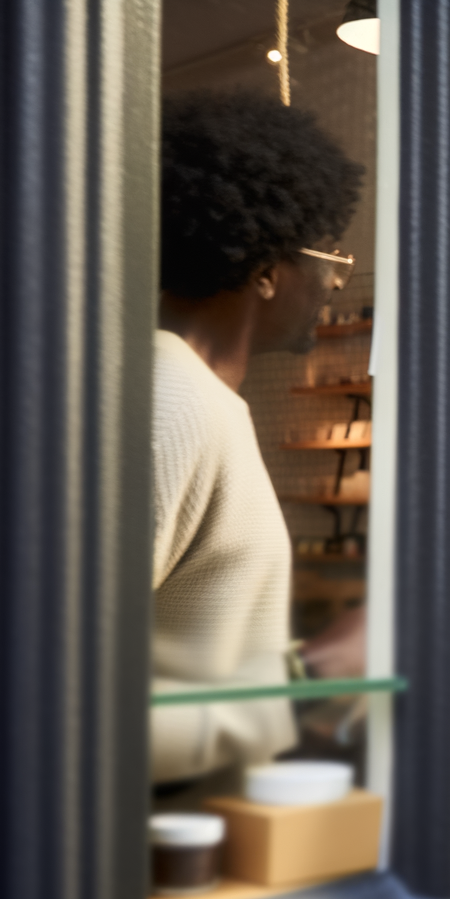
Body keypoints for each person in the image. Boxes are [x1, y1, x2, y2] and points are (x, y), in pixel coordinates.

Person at [150, 90, 362, 788]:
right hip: (126, 848)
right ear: (267, 270)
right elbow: (51, 697)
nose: (335, 276)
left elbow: (188, 660)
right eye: (327, 252)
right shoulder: (170, 401)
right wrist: (316, 672)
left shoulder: (202, 399)